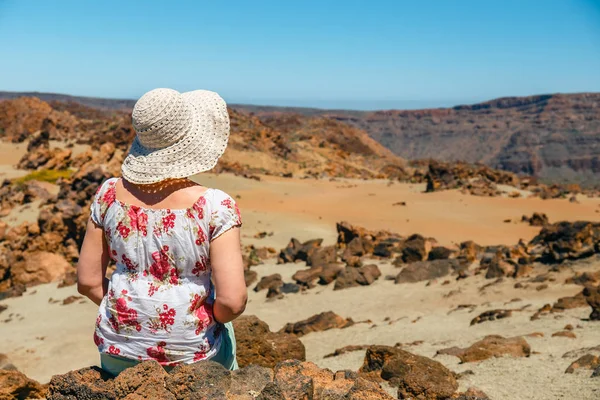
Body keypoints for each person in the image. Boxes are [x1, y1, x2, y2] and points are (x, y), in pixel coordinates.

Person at [76, 88, 247, 375]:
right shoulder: (215, 205)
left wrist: (132, 315)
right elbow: (232, 300)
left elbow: (87, 283)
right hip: (193, 358)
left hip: (119, 353)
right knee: (227, 338)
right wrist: (206, 318)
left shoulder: (108, 195)